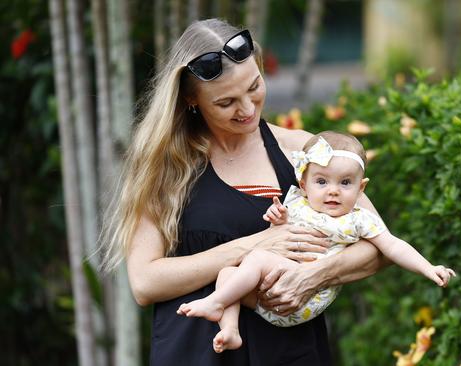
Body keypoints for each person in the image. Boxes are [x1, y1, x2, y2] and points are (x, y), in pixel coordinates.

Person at [100, 18, 390, 366]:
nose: (248, 109)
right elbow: (145, 282)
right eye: (227, 102)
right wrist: (255, 244)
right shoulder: (166, 166)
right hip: (195, 355)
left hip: (291, 354)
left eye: (255, 86)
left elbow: (379, 246)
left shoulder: (302, 151)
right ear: (191, 99)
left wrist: (315, 276)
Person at [176, 132, 456, 352]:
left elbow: (393, 246)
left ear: (361, 188)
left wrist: (428, 267)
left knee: (256, 259)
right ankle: (230, 329)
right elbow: (281, 237)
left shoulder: (358, 219)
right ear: (303, 183)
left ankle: (214, 302)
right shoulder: (297, 202)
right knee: (227, 273)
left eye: (345, 183)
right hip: (269, 294)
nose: (333, 191)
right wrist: (278, 219)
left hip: (307, 296)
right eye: (322, 182)